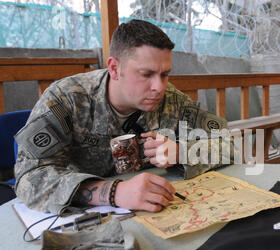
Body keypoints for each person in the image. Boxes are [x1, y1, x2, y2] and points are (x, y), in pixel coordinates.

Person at [14, 19, 232, 215]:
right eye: (146, 74)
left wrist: (181, 151)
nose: (159, 87)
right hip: (83, 222)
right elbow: (29, 176)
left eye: (165, 75)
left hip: (155, 215)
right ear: (115, 68)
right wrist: (113, 192)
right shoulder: (67, 99)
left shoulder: (173, 101)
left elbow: (230, 144)